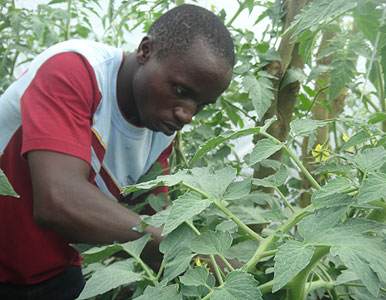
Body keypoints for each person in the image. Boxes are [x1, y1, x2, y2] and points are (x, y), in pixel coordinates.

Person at [0, 4, 235, 299]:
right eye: (180, 91)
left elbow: (151, 220)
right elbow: (58, 202)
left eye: (201, 105)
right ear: (146, 51)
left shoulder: (159, 130)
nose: (187, 116)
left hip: (54, 270)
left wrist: (213, 267)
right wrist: (189, 249)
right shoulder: (75, 70)